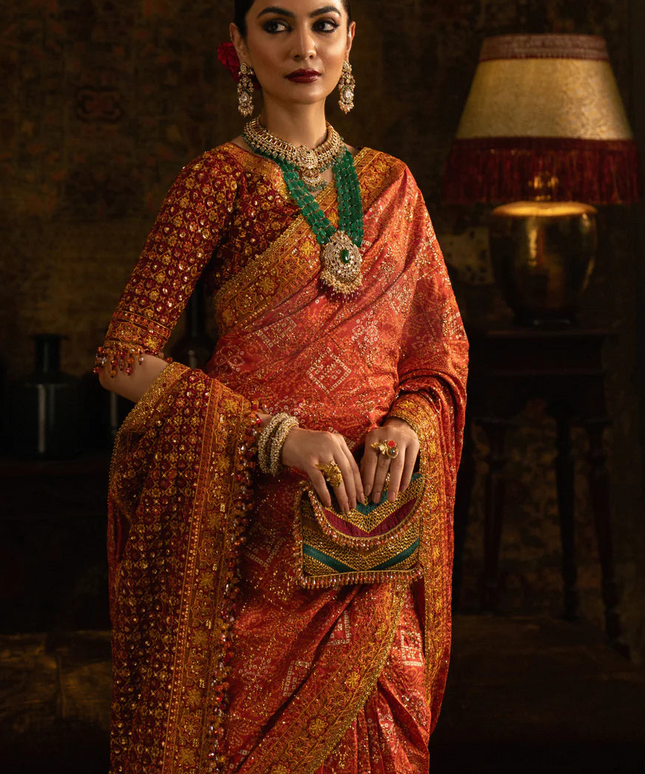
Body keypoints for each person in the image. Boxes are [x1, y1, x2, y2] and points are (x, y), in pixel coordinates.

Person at [96, 1, 468, 772]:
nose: (304, 46)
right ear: (237, 45)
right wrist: (274, 438)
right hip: (251, 526)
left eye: (323, 23)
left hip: (368, 517)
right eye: (276, 24)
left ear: (350, 39)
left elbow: (440, 352)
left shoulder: (394, 185)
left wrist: (407, 423)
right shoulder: (216, 181)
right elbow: (122, 355)